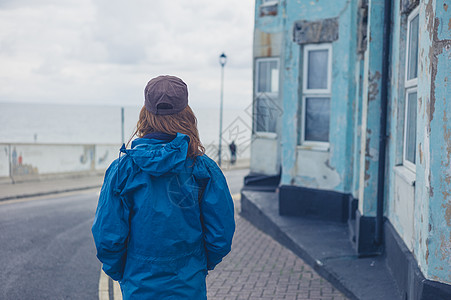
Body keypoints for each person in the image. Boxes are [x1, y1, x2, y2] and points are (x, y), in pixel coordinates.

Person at [92, 75, 235, 299]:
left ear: (145, 114)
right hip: (189, 284)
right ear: (186, 114)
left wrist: (126, 273)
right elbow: (220, 236)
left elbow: (107, 238)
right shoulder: (203, 169)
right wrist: (197, 267)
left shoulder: (122, 171)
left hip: (139, 286)